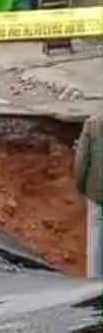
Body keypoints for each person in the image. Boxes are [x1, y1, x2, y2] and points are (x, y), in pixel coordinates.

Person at [74, 112, 103, 278]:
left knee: (95, 244)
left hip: (97, 194)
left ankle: (94, 286)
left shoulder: (93, 123)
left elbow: (81, 161)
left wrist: (82, 187)